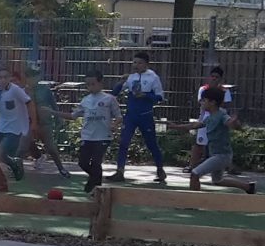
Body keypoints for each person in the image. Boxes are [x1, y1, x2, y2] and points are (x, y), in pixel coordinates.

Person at [52, 71, 120, 194]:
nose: (90, 87)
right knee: (83, 162)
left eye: (93, 84)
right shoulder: (85, 100)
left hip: (103, 136)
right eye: (88, 84)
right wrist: (53, 112)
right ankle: (95, 178)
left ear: (100, 83)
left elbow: (118, 117)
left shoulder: (109, 99)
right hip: (88, 136)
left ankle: (95, 187)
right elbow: (73, 116)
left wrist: (114, 125)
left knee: (96, 162)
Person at [175, 85, 252, 193]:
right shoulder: (210, 117)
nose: (201, 102)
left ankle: (192, 202)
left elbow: (231, 124)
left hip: (221, 156)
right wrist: (175, 126)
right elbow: (194, 125)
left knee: (195, 174)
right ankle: (248, 187)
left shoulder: (221, 115)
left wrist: (235, 123)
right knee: (217, 181)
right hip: (217, 155)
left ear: (212, 102)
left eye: (204, 100)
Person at [110, 51, 167, 184]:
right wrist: (120, 82)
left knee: (151, 143)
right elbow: (115, 93)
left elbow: (159, 97)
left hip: (145, 116)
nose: (136, 65)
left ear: (147, 64)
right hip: (131, 115)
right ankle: (120, 171)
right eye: (134, 62)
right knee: (124, 142)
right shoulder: (131, 77)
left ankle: (160, 169)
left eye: (140, 63)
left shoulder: (153, 77)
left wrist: (145, 96)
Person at [0, 64, 32, 192]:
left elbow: (29, 102)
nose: (3, 80)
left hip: (15, 128)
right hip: (0, 127)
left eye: (5, 77)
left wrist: (34, 123)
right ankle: (1, 183)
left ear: (10, 77)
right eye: (0, 77)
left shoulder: (15, 90)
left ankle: (14, 163)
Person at [25, 66, 71, 178]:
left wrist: (58, 118)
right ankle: (37, 157)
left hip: (45, 122)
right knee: (25, 143)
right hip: (29, 122)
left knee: (50, 147)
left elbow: (53, 103)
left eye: (34, 76)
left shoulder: (45, 90)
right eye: (29, 77)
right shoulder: (24, 90)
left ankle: (61, 168)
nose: (32, 79)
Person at [189, 66, 236, 169]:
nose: (214, 78)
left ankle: (229, 166)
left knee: (221, 143)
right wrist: (201, 119)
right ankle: (191, 165)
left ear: (221, 78)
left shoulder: (224, 91)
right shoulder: (203, 89)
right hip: (205, 118)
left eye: (217, 77)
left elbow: (226, 105)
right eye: (212, 76)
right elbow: (201, 104)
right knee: (199, 143)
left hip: (218, 120)